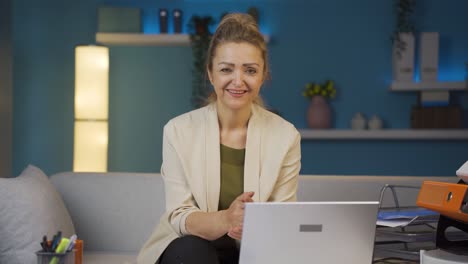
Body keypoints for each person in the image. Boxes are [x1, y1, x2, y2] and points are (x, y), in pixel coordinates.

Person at [137, 13, 301, 264]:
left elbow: (283, 216)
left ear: (263, 75)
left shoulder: (286, 136)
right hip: (190, 249)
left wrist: (254, 228)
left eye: (250, 70)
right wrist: (226, 219)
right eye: (226, 69)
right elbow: (180, 216)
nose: (238, 81)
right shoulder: (178, 131)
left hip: (251, 250)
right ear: (211, 74)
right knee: (193, 252)